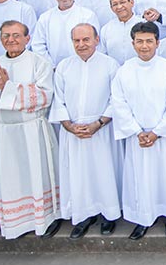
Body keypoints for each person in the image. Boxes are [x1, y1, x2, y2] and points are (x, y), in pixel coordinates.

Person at [0, 20, 61, 239]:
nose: (11, 40)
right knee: (11, 179)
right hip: (5, 131)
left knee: (38, 175)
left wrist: (7, 88)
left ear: (27, 39)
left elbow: (44, 96)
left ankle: (45, 219)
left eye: (17, 35)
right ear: (0, 39)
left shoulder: (39, 63)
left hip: (32, 128)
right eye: (6, 36)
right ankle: (15, 223)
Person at [110, 21, 166, 239]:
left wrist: (157, 132)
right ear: (133, 44)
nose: (144, 46)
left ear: (157, 43)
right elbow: (119, 103)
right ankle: (142, 219)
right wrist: (136, 131)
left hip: (162, 137)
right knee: (140, 179)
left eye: (149, 41)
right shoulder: (124, 71)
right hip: (138, 137)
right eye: (140, 42)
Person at [50, 24, 122, 238]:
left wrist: (98, 123)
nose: (81, 45)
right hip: (73, 131)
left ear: (96, 40)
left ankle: (109, 214)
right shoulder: (64, 66)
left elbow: (115, 99)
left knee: (103, 172)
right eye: (77, 41)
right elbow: (58, 100)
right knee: (79, 176)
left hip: (101, 129)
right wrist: (69, 126)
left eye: (86, 40)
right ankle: (83, 215)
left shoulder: (110, 65)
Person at [31, 0, 100, 67]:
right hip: (52, 68)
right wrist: (51, 66)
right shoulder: (45, 17)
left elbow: (94, 43)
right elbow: (38, 44)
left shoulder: (87, 15)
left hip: (83, 66)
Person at [99, 0, 143, 65]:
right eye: (115, 4)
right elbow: (103, 54)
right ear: (111, 8)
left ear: (131, 3)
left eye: (122, 2)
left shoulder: (144, 25)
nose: (119, 7)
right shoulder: (106, 29)